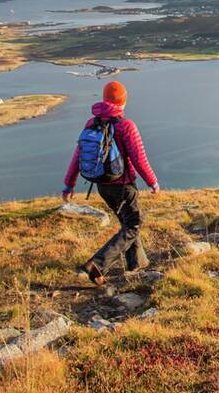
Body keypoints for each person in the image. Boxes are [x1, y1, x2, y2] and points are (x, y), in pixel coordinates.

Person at [62, 81, 160, 286]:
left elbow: (77, 155)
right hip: (124, 186)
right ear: (123, 100)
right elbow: (139, 158)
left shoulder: (92, 124)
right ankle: (96, 265)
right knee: (133, 225)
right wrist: (153, 182)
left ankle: (137, 265)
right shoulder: (126, 125)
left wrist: (69, 184)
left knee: (128, 224)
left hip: (102, 185)